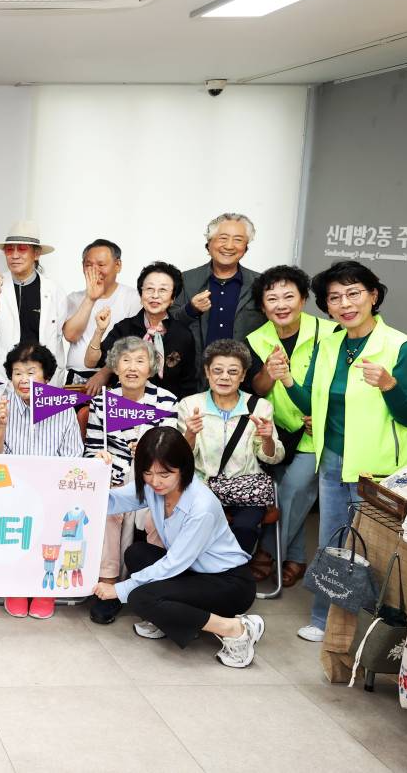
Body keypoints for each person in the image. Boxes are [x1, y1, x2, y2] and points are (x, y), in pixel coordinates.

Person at [277, 261, 407, 642]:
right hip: (334, 459)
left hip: (382, 470)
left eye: (353, 293)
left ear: (373, 296)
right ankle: (324, 621)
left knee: (380, 550)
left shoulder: (403, 347)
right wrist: (287, 380)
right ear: (326, 307)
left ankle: (383, 634)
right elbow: (312, 404)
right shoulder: (329, 345)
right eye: (334, 298)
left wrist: (390, 385)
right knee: (333, 540)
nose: (345, 304)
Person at [98, 428, 264, 668]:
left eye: (164, 474)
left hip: (229, 584)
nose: (155, 481)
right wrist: (95, 474)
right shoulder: (153, 488)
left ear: (183, 468)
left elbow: (173, 564)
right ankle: (171, 619)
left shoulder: (201, 506)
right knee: (137, 554)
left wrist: (119, 589)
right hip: (192, 572)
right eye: (147, 472)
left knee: (140, 597)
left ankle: (236, 629)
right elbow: (111, 501)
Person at [245, 265, 336, 587]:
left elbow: (340, 383)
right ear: (262, 306)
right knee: (288, 497)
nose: (281, 305)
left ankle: (266, 553)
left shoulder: (330, 333)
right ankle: (295, 559)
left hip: (315, 431)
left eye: (288, 296)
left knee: (293, 491)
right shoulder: (257, 338)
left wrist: (325, 415)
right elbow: (257, 388)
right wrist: (269, 372)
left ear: (303, 299)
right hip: (277, 431)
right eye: (272, 299)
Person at [0, 343, 85, 620]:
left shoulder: (63, 409)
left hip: (52, 491)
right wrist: (1, 425)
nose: (23, 379)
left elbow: (73, 459)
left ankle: (43, 586)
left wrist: (49, 488)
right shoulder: (1, 407)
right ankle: (16, 583)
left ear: (46, 377)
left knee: (55, 516)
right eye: (17, 373)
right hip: (11, 490)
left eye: (31, 372)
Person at [82, 335, 179, 625]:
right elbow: (91, 449)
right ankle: (108, 586)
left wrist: (151, 455)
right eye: (125, 360)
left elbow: (170, 453)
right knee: (108, 511)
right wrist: (99, 459)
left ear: (151, 367)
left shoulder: (166, 400)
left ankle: (154, 588)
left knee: (158, 518)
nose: (132, 367)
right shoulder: (103, 401)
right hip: (115, 477)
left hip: (153, 483)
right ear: (115, 366)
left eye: (140, 360)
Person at [174, 340, 283, 554]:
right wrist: (190, 434)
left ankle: (234, 569)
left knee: (245, 528)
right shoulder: (190, 405)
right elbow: (181, 459)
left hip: (247, 489)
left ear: (243, 376)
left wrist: (267, 439)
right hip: (203, 488)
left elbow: (273, 457)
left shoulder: (260, 407)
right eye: (218, 370)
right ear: (207, 372)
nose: (225, 377)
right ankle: (209, 569)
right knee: (202, 524)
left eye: (233, 372)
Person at [0, 222, 71, 404]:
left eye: (22, 249)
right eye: (9, 250)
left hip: (41, 377)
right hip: (5, 377)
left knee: (44, 422)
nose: (15, 255)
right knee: (2, 420)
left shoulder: (53, 289)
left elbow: (57, 335)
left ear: (36, 254)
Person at [171, 213, 265, 379]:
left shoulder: (261, 284)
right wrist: (190, 310)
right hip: (194, 378)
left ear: (246, 247)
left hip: (244, 379)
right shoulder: (185, 280)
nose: (229, 246)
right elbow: (166, 325)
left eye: (238, 240)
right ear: (209, 243)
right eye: (223, 238)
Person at [86, 261, 198, 400]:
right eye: (149, 289)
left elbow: (188, 384)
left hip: (166, 408)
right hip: (125, 406)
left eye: (163, 290)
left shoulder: (182, 335)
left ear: (172, 299)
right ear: (141, 294)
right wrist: (99, 331)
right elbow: (91, 362)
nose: (155, 295)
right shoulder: (124, 328)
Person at [62, 239, 140, 388]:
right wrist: (90, 298)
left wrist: (105, 373)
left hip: (119, 376)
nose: (94, 270)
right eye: (88, 265)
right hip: (77, 376)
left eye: (101, 264)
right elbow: (71, 336)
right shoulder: (74, 298)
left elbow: (134, 343)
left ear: (118, 265)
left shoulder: (133, 298)